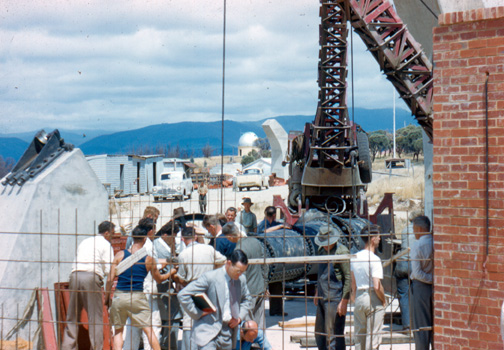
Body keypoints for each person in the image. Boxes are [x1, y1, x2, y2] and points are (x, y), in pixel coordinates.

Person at [106, 222, 175, 350]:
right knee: (149, 331)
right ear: (145, 239)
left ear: (132, 238)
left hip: (119, 296)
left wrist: (106, 297)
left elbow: (109, 280)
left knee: (118, 332)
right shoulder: (148, 260)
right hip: (137, 296)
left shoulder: (120, 255)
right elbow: (159, 279)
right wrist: (172, 272)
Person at [177, 250, 252, 350]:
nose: (240, 274)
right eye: (238, 271)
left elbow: (247, 300)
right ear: (229, 263)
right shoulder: (210, 277)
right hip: (207, 331)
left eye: (243, 271)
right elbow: (183, 294)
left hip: (227, 332)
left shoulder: (241, 280)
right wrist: (197, 313)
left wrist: (239, 318)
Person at [62, 221, 115, 350]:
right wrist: (108, 295)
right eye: (112, 234)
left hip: (74, 275)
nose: (113, 237)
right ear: (107, 233)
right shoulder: (106, 245)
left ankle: (67, 347)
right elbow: (110, 271)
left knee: (72, 316)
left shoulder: (85, 241)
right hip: (91, 277)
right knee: (95, 317)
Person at [176, 227, 227, 350]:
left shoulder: (183, 255)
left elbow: (181, 278)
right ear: (195, 237)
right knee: (209, 320)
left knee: (189, 322)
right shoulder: (209, 249)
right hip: (209, 288)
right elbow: (224, 260)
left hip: (192, 289)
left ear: (182, 239)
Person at [124, 216, 163, 350]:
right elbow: (155, 269)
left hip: (132, 290)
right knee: (152, 326)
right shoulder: (149, 246)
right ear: (150, 231)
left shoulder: (131, 247)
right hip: (147, 291)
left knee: (133, 327)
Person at [221, 223, 267, 329]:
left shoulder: (239, 249)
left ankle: (250, 345)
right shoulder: (256, 242)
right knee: (260, 323)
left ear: (231, 236)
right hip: (260, 287)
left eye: (228, 238)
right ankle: (261, 343)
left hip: (249, 290)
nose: (228, 240)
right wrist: (265, 285)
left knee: (248, 325)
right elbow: (265, 265)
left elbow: (240, 273)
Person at [313, 225, 350, 350]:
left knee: (332, 335)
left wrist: (344, 300)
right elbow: (321, 273)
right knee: (319, 333)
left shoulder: (341, 251)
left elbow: (348, 278)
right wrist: (317, 291)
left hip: (335, 298)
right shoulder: (321, 250)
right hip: (322, 296)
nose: (324, 245)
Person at [351, 225, 386, 350]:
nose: (380, 239)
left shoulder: (354, 257)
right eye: (378, 237)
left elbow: (353, 283)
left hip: (360, 296)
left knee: (360, 337)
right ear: (372, 239)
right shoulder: (375, 259)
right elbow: (377, 285)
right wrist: (383, 300)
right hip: (372, 297)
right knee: (373, 338)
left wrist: (354, 297)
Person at [154, 222, 184, 350]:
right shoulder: (162, 250)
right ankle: (168, 346)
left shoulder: (160, 245)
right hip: (161, 287)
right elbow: (170, 273)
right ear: (165, 235)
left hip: (162, 285)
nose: (174, 240)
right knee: (174, 315)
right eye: (173, 236)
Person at [256, 206, 289, 317]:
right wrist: (280, 226)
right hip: (265, 257)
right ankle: (258, 312)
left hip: (275, 257)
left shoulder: (275, 224)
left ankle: (277, 310)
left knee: (277, 285)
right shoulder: (263, 224)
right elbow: (263, 232)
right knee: (261, 286)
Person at [410, 215, 433, 350]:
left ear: (419, 229)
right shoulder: (435, 242)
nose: (413, 232)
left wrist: (431, 279)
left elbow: (417, 273)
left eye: (414, 229)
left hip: (421, 286)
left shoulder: (417, 245)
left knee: (421, 326)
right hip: (434, 287)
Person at [394, 211, 418, 331]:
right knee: (416, 293)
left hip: (401, 262)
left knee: (403, 295)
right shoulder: (419, 230)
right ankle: (416, 323)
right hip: (414, 263)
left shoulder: (405, 230)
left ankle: (407, 325)